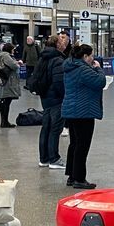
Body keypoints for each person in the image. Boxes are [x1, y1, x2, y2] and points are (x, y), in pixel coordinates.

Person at [61, 43, 103, 190]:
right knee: (82, 145)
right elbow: (100, 82)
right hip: (83, 111)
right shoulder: (83, 69)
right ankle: (79, 178)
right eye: (91, 56)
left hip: (71, 110)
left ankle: (72, 176)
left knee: (74, 143)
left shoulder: (70, 66)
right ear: (85, 56)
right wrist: (98, 68)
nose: (93, 58)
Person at [36, 35, 67, 170]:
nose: (64, 43)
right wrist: (64, 95)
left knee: (46, 127)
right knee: (55, 128)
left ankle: (44, 158)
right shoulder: (57, 60)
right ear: (57, 45)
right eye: (62, 41)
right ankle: (54, 158)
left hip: (45, 96)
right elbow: (59, 81)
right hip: (56, 98)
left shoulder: (43, 57)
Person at [0, 43, 21, 128]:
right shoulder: (6, 56)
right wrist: (18, 64)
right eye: (13, 49)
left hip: (4, 80)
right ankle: (4, 122)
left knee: (5, 101)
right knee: (7, 102)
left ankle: (4, 121)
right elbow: (14, 66)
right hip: (9, 81)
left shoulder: (1, 55)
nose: (14, 51)